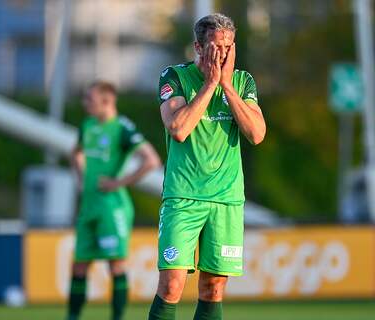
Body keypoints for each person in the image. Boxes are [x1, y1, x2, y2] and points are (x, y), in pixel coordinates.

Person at [148, 13, 266, 320]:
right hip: (183, 197)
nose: (223, 53)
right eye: (216, 46)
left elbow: (256, 134)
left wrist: (226, 85)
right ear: (198, 47)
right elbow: (178, 127)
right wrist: (211, 83)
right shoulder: (174, 77)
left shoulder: (242, 81)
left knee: (213, 288)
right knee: (172, 285)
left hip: (225, 198)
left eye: (228, 46)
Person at [68, 81, 161, 320]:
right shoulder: (87, 125)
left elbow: (151, 160)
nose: (84, 104)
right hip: (89, 206)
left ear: (107, 101)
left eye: (90, 99)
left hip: (112, 207)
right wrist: (81, 182)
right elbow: (75, 153)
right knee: (79, 266)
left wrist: (118, 183)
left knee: (115, 266)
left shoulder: (122, 128)